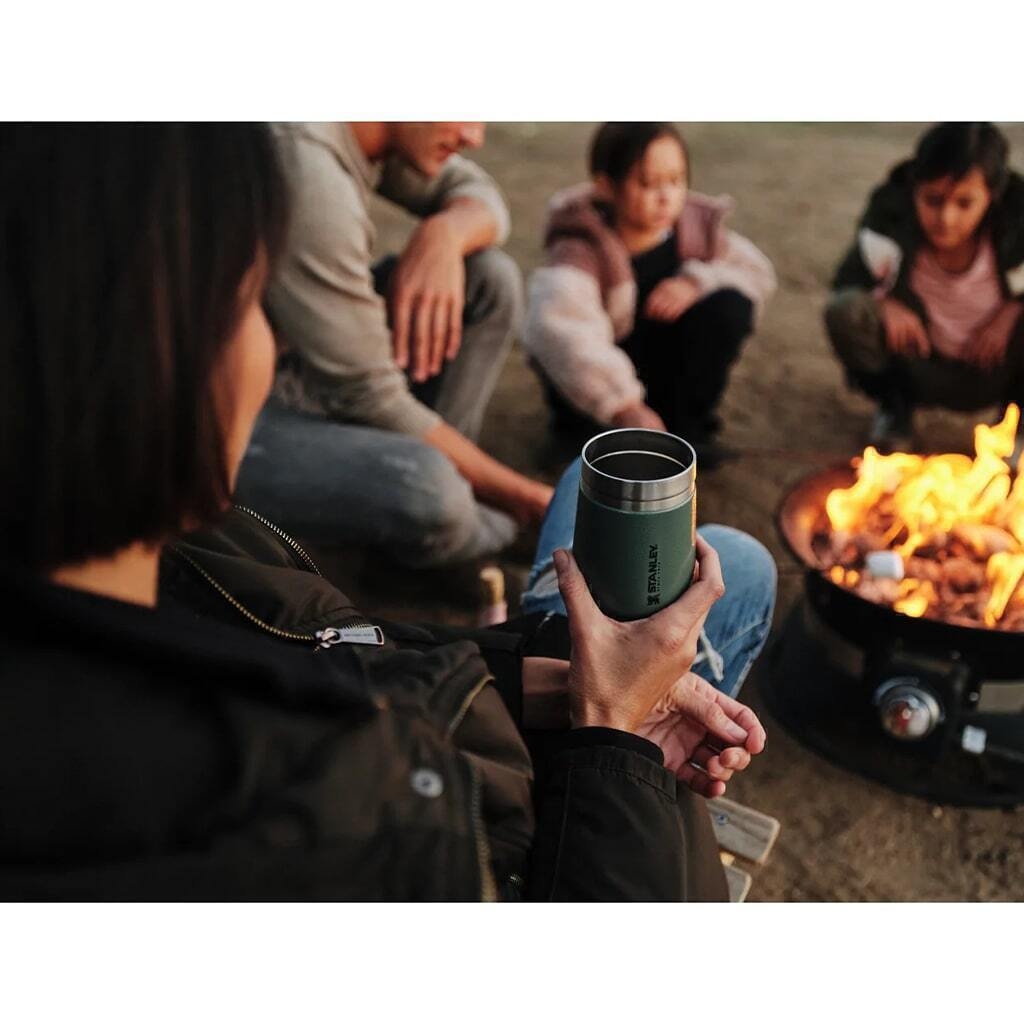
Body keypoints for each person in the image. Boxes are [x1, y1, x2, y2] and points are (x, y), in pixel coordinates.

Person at [0, 123, 776, 901]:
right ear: (150, 353)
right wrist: (612, 726)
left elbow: (340, 647)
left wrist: (559, 679)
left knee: (608, 488)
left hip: (516, 723)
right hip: (593, 816)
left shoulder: (192, 560)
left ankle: (567, 614)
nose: (474, 131)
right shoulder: (307, 803)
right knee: (731, 564)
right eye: (252, 302)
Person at [234, 122, 553, 569]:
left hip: (296, 366)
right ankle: (487, 534)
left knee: (488, 278)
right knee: (429, 487)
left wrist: (444, 234)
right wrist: (527, 500)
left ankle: (446, 520)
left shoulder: (368, 131)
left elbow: (480, 194)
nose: (474, 136)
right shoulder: (305, 166)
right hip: (216, 421)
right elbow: (368, 395)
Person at [523, 122, 776, 468]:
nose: (666, 196)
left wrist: (695, 282)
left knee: (728, 305)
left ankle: (684, 433)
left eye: (676, 180)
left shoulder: (695, 232)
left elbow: (756, 271)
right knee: (572, 364)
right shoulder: (581, 248)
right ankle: (584, 438)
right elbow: (563, 332)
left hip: (661, 371)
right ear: (606, 186)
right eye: (647, 183)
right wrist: (624, 406)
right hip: (602, 386)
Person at [826, 122, 1024, 453]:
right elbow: (847, 283)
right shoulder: (889, 225)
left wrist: (1014, 309)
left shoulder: (1017, 228)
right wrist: (885, 302)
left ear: (992, 197)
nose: (946, 218)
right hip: (915, 365)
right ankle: (895, 408)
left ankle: (1016, 427)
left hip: (995, 368)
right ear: (914, 188)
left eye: (964, 203)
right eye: (933, 200)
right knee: (847, 310)